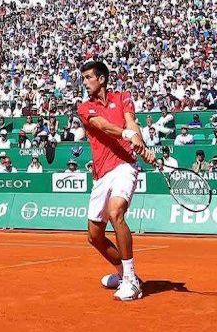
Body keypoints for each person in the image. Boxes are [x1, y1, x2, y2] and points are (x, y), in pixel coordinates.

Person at [76, 58, 145, 302]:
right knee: (94, 237)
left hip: (125, 166)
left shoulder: (123, 96)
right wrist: (127, 134)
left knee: (116, 213)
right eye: (83, 78)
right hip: (101, 173)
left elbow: (131, 122)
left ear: (102, 79)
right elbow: (103, 126)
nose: (85, 82)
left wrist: (141, 143)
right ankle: (121, 272)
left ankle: (131, 280)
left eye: (88, 78)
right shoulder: (84, 108)